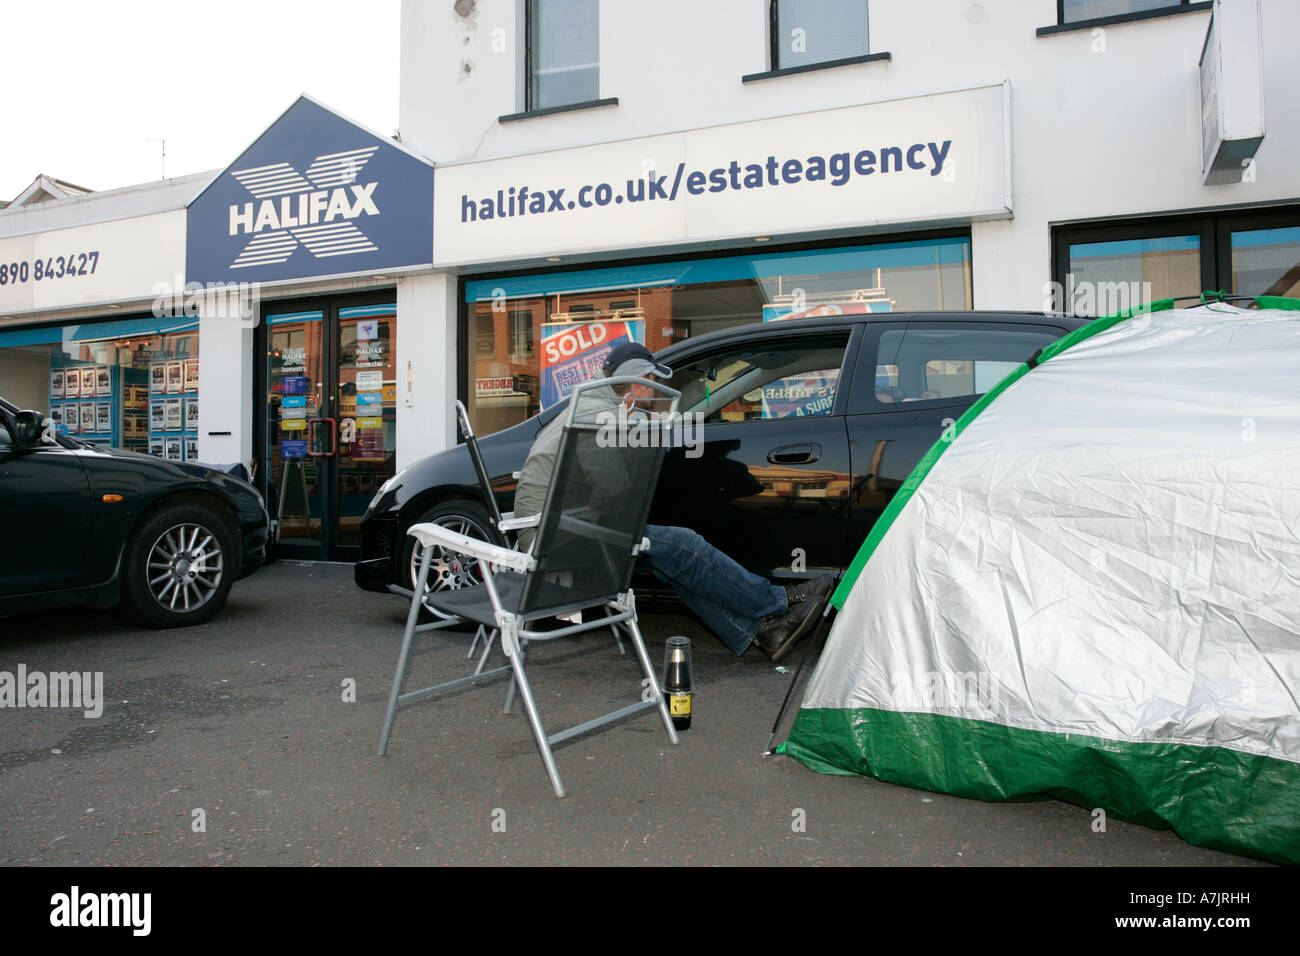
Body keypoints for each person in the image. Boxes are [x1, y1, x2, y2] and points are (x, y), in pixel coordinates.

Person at [513, 342, 834, 662]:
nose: (657, 390)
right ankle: (778, 600)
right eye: (654, 382)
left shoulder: (598, 405)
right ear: (637, 381)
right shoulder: (599, 415)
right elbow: (613, 491)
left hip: (563, 524)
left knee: (671, 560)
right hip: (556, 537)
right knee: (683, 543)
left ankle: (768, 631)